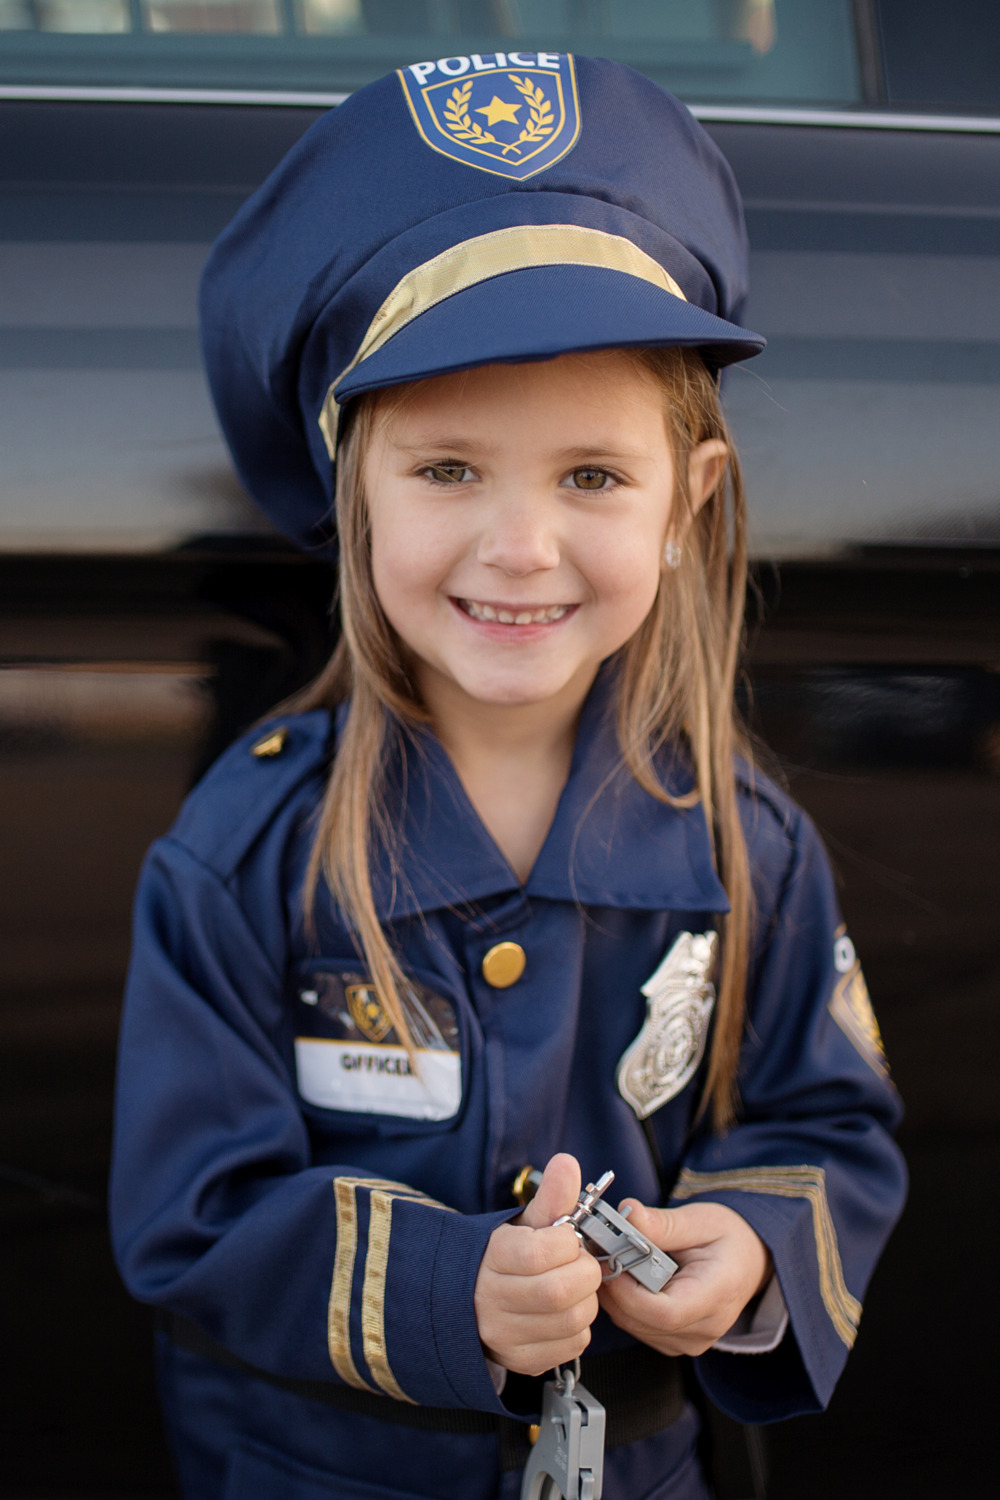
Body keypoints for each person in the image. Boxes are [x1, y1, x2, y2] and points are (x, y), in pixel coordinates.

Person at [110, 53, 906, 1500]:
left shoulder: (747, 846)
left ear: (689, 502)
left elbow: (828, 1125)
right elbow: (188, 1211)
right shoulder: (245, 847)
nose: (521, 547)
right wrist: (446, 1291)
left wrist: (751, 1246)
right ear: (353, 488)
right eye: (448, 470)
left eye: (591, 475)